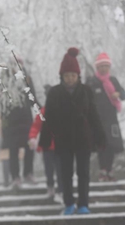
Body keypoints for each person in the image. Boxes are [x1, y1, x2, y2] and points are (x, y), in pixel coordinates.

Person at [39, 47, 106, 215]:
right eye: (67, 76)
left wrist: (100, 137)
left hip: (83, 138)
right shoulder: (54, 93)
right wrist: (45, 140)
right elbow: (49, 118)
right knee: (65, 173)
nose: (70, 79)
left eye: (73, 75)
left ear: (78, 76)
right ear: (62, 76)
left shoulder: (86, 91)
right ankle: (68, 203)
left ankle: (83, 204)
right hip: (63, 139)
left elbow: (94, 115)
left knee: (83, 173)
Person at [86, 53, 125, 181]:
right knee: (101, 145)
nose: (103, 68)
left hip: (111, 119)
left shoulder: (113, 80)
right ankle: (103, 170)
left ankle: (110, 170)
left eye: (106, 66)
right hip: (97, 119)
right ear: (97, 68)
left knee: (111, 145)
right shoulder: (92, 81)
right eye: (101, 66)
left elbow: (123, 94)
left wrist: (117, 93)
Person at [0, 60, 36, 188]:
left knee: (29, 148)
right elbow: (2, 105)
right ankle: (15, 177)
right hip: (12, 123)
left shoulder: (27, 80)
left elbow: (33, 98)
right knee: (13, 150)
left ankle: (28, 173)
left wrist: (41, 111)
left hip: (26, 120)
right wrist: (4, 125)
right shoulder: (5, 82)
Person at [28, 84, 63, 198]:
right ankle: (51, 187)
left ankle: (61, 189)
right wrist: (32, 138)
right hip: (47, 146)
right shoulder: (43, 112)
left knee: (60, 169)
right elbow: (36, 126)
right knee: (49, 169)